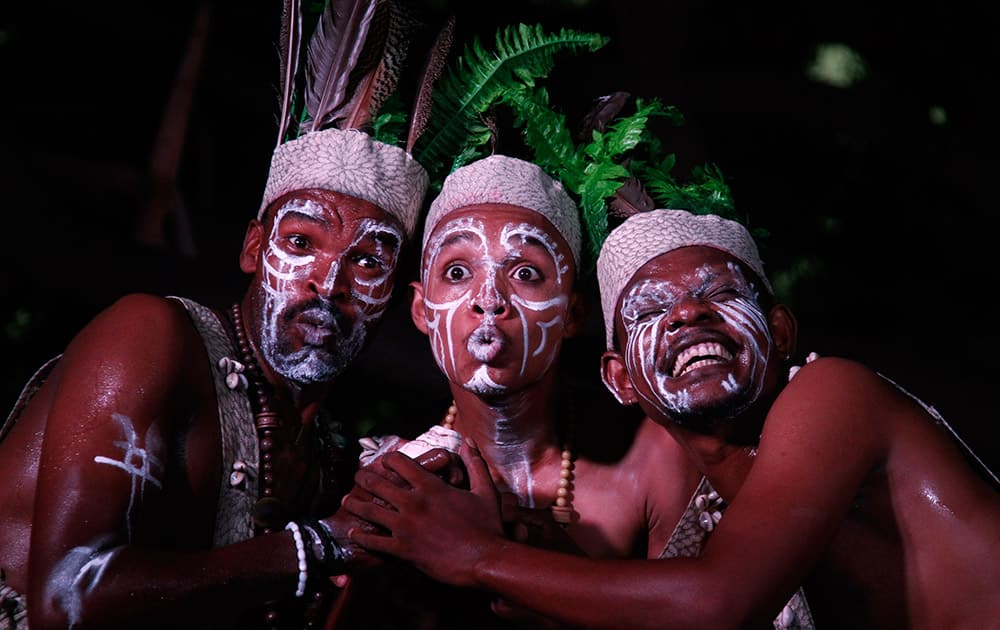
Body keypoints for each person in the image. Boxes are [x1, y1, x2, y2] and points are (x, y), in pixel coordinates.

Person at [343, 207, 1000, 628]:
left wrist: (479, 555)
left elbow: (718, 603)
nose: (687, 315)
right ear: (620, 378)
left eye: (718, 294)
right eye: (651, 312)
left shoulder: (833, 394)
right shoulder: (711, 521)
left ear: (778, 330)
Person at [0, 0, 438, 627]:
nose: (327, 282)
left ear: (394, 292)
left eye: (368, 261)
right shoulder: (150, 336)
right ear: (253, 248)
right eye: (301, 243)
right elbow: (68, 600)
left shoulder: (326, 459)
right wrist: (318, 547)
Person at [337, 155, 701, 629]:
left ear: (572, 314)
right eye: (456, 273)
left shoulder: (654, 456)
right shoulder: (390, 471)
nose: (488, 299)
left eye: (526, 273)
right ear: (423, 310)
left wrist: (504, 553)